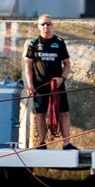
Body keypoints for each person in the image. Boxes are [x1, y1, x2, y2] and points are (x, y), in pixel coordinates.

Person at [24, 14, 76, 150]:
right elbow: (28, 65)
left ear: (52, 25)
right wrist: (30, 85)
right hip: (40, 85)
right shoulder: (33, 43)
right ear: (38, 26)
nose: (46, 27)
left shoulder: (59, 42)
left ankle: (66, 143)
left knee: (64, 113)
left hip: (57, 85)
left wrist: (62, 78)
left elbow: (67, 64)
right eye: (43, 24)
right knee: (40, 113)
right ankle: (42, 143)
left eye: (48, 24)